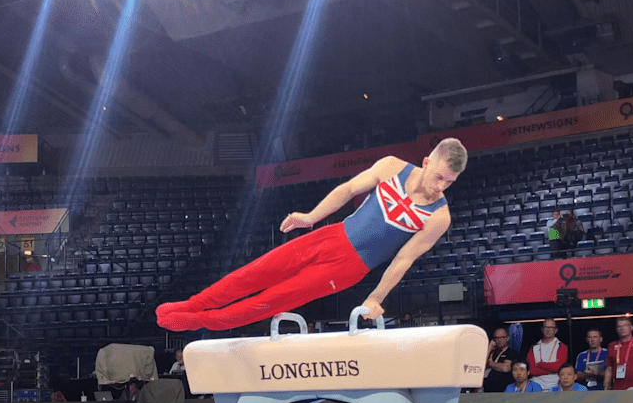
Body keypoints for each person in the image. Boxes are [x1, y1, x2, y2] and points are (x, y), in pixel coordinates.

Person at [156, 138, 467, 331]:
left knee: (269, 301)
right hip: (330, 236)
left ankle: (197, 321)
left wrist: (375, 297)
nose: (441, 186)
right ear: (427, 162)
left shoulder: (439, 216)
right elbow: (347, 190)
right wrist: (311, 218)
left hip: (347, 268)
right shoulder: (391, 167)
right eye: (439, 176)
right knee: (253, 273)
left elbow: (404, 258)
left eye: (450, 182)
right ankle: (192, 304)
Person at [527, 319, 568, 390]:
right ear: (542, 329)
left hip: (554, 386)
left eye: (551, 327)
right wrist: (551, 370)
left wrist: (539, 364)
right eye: (546, 327)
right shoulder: (534, 347)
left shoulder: (561, 346)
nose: (548, 330)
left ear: (556, 330)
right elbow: (531, 370)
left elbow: (558, 367)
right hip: (535, 386)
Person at [483, 327, 517, 393]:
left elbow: (506, 368)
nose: (499, 340)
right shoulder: (492, 352)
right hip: (488, 390)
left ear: (507, 338)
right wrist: (489, 348)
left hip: (503, 390)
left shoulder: (512, 352)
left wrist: (491, 363)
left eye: (502, 337)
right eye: (497, 338)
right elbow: (481, 365)